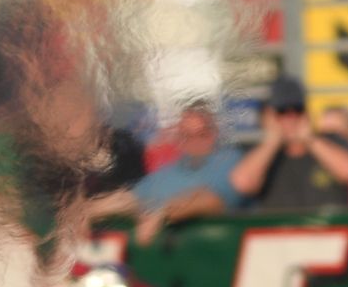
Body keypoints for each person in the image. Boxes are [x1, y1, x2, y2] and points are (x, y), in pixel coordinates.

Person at [83, 102, 244, 243]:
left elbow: (212, 200)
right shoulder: (168, 172)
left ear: (214, 133)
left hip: (212, 251)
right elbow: (128, 199)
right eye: (186, 136)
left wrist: (162, 214)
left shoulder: (228, 162)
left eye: (201, 135)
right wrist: (86, 212)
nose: (194, 142)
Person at [227, 80, 348, 211]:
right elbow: (242, 184)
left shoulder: (330, 141)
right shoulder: (260, 153)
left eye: (297, 109)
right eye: (282, 111)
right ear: (267, 116)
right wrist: (272, 141)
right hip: (280, 230)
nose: (291, 117)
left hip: (328, 229)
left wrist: (310, 139)